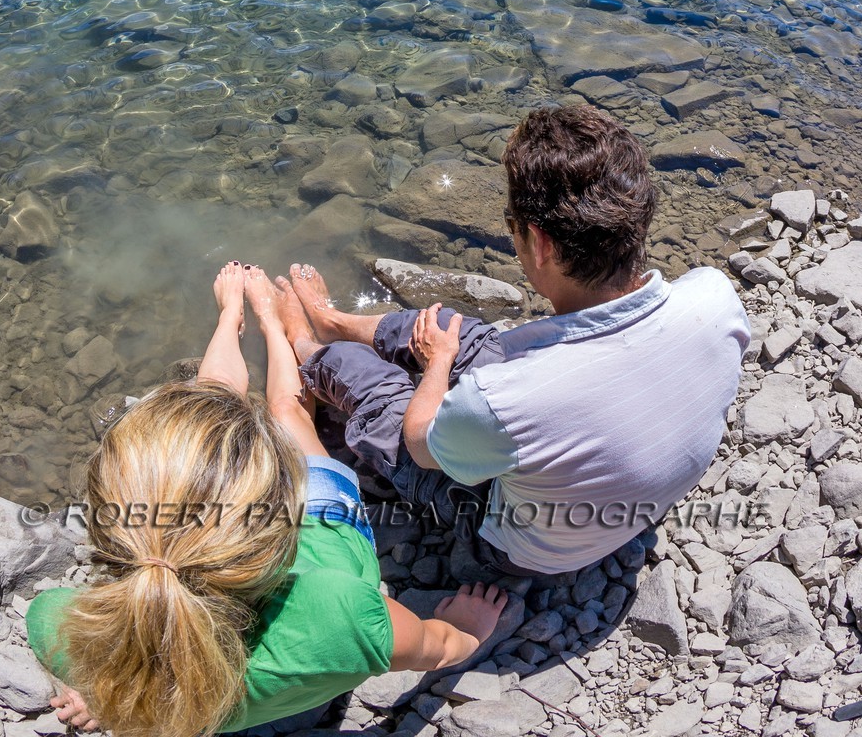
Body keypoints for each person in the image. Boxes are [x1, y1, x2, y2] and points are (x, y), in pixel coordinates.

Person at [25, 263, 507, 737]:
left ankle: (231, 316)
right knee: (285, 413)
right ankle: (276, 328)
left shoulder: (60, 629)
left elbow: (116, 654)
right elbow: (437, 646)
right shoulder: (338, 614)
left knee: (207, 418)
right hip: (328, 530)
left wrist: (105, 692)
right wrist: (466, 632)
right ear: (276, 524)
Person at [276, 103, 750, 575]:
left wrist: (437, 365)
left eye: (511, 225)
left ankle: (303, 340)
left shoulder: (505, 401)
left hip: (516, 546)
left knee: (382, 393)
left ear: (541, 244)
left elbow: (420, 443)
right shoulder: (714, 295)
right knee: (460, 332)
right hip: (632, 494)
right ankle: (331, 317)